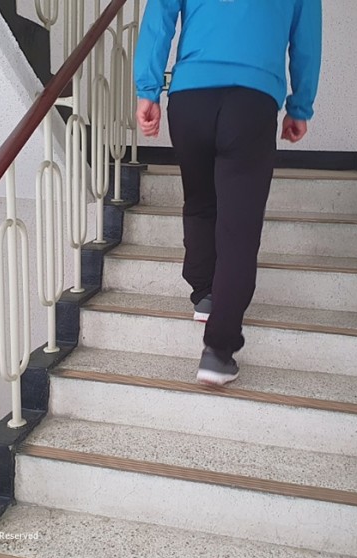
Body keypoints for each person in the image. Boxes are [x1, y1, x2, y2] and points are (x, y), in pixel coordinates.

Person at [134, 0, 322, 386]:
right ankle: (218, 352)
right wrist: (300, 107)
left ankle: (205, 293)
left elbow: (159, 18)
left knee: (200, 203)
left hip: (190, 98)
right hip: (252, 100)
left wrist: (147, 90)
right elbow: (306, 41)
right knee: (239, 228)